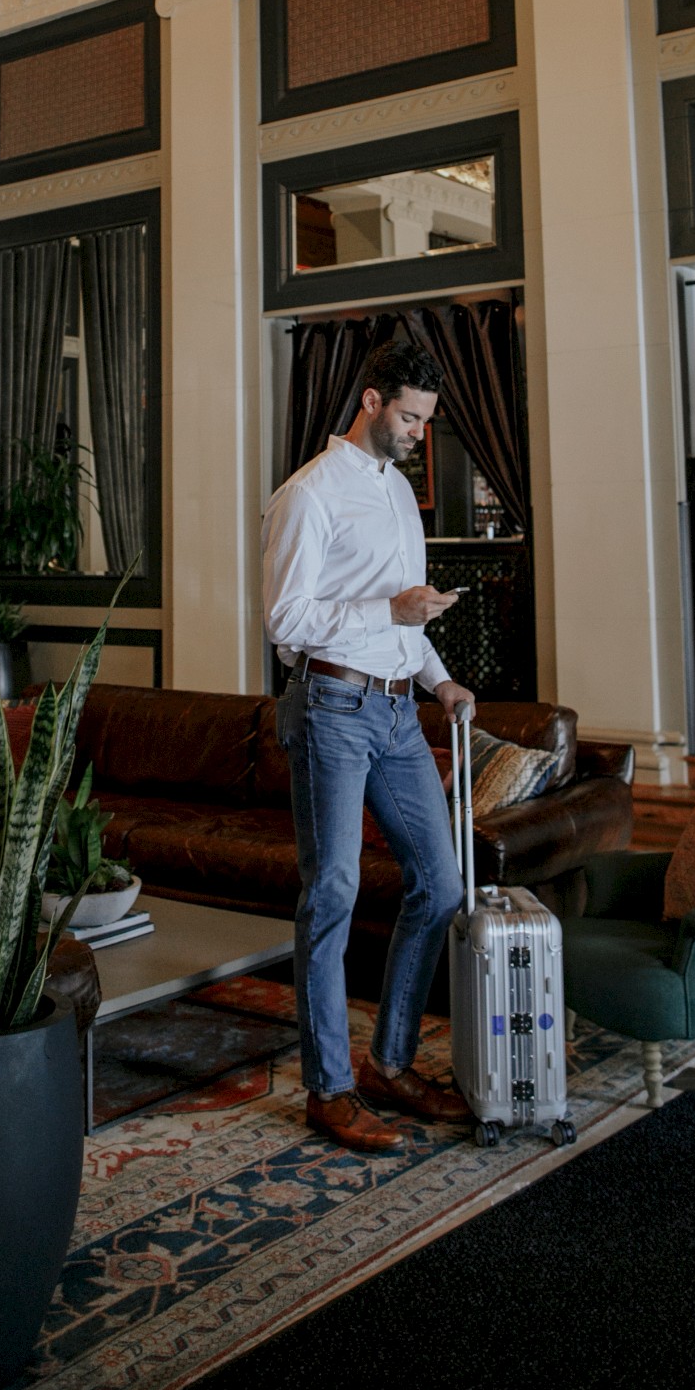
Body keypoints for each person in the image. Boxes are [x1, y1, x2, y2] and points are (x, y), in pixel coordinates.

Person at [261, 342, 475, 1153]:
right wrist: (391, 610)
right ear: (372, 400)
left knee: (441, 883)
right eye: (411, 417)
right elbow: (287, 623)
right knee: (335, 892)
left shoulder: (396, 494)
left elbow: (405, 619)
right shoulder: (308, 496)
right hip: (330, 707)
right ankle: (329, 1088)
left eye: (426, 420)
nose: (420, 432)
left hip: (395, 712)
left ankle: (390, 1063)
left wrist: (440, 680)